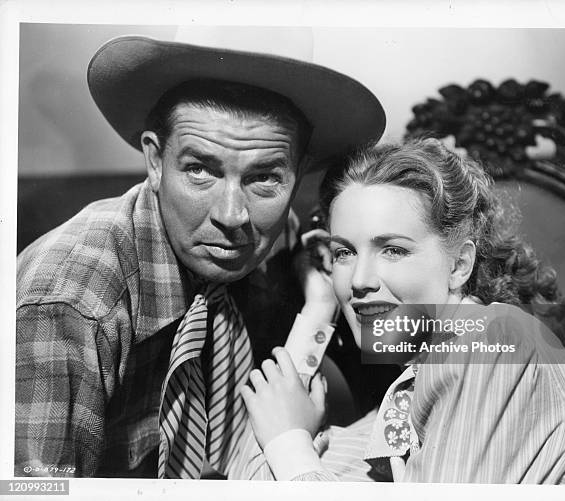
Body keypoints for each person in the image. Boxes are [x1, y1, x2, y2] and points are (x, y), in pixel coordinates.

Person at [15, 32, 385, 478]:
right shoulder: (70, 299)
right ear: (155, 160)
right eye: (199, 170)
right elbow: (29, 491)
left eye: (264, 177)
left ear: (297, 173)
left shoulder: (277, 237)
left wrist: (322, 301)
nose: (232, 216)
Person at [240, 138, 565, 483]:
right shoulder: (411, 390)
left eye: (393, 250)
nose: (359, 281)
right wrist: (319, 307)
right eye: (344, 253)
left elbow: (285, 449)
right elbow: (250, 475)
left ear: (459, 265)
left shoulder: (492, 342)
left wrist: (290, 446)